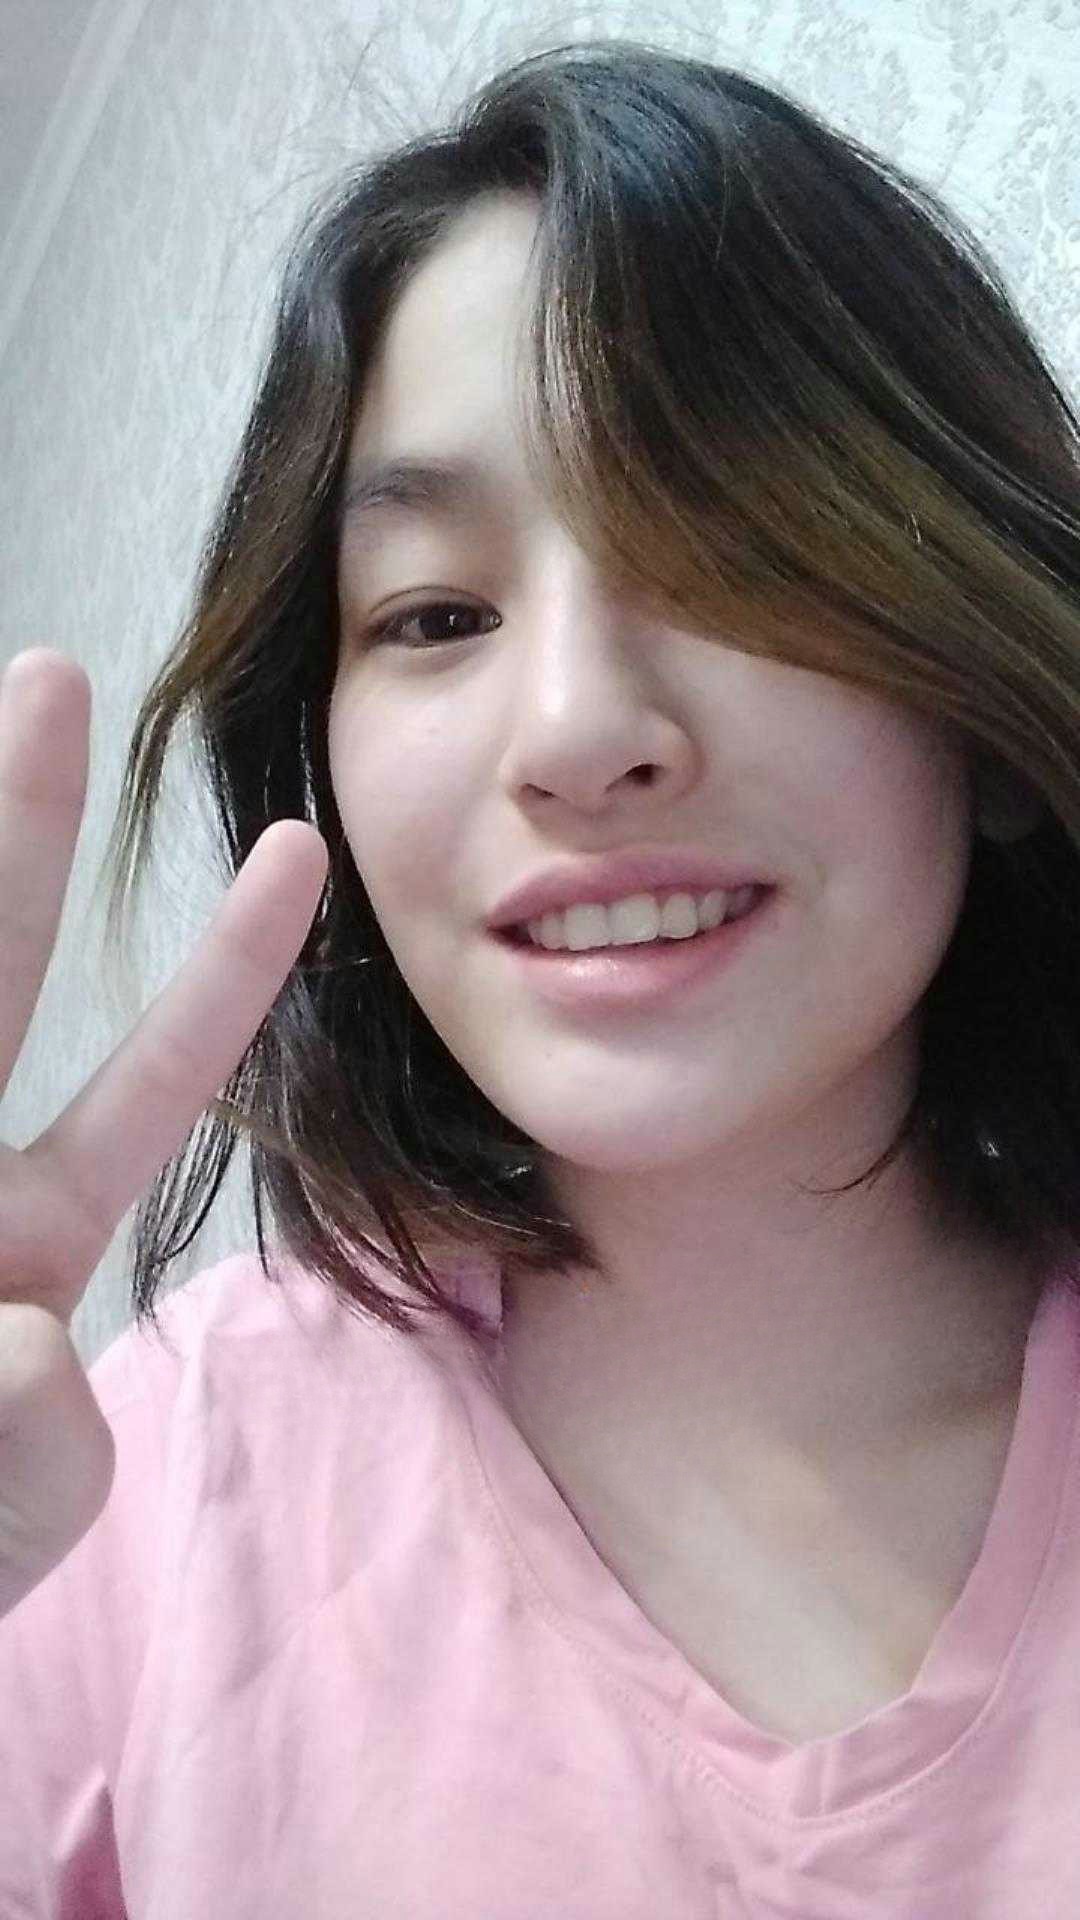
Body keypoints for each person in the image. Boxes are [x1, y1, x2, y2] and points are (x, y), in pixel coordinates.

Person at [1, 36, 1079, 1916]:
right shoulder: (150, 1476)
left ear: (976, 702)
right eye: (436, 615)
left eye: (736, 562)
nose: (578, 731)